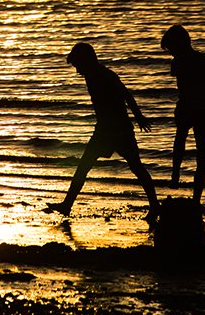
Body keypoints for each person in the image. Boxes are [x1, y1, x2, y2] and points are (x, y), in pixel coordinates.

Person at [48, 41, 159, 223]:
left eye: (78, 66)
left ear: (87, 60)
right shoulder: (91, 75)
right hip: (104, 130)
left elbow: (126, 95)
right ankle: (67, 204)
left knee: (135, 166)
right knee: (84, 166)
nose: (77, 71)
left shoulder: (105, 75)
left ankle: (155, 206)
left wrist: (138, 116)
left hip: (119, 130)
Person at [160, 24, 205, 205]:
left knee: (197, 152)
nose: (171, 53)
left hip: (199, 109)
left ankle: (190, 192)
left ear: (179, 44)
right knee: (192, 149)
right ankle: (178, 178)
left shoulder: (198, 61)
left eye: (171, 49)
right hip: (192, 108)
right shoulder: (194, 60)